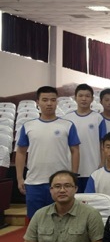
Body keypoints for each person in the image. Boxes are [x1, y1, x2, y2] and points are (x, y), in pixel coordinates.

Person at [16, 86, 80, 218]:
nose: (49, 103)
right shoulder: (28, 126)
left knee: (62, 221)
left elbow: (75, 151)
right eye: (45, 100)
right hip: (34, 182)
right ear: (38, 102)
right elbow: (21, 152)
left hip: (60, 183)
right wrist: (19, 177)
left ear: (57, 102)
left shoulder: (67, 125)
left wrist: (73, 175)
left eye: (53, 100)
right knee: (35, 222)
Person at [20, 170, 103, 242]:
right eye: (57, 186)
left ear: (76, 189)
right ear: (51, 190)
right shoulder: (40, 214)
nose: (62, 190)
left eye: (67, 186)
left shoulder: (90, 214)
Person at [63, 83, 106, 192]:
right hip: (71, 168)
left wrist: (102, 162)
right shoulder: (67, 118)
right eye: (81, 95)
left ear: (92, 99)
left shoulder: (98, 118)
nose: (84, 99)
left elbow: (103, 143)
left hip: (93, 168)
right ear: (75, 98)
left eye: (87, 96)